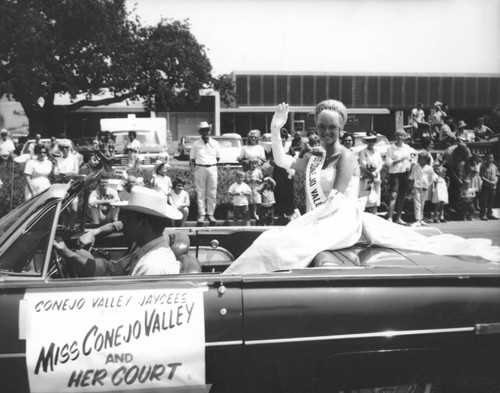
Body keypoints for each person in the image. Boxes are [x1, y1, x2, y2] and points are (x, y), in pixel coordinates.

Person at [223, 103, 500, 275]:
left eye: (332, 127)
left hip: (341, 222)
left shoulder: (347, 157)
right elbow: (282, 161)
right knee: (271, 241)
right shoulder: (315, 156)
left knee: (278, 243)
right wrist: (274, 127)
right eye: (321, 127)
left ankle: (239, 277)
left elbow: (335, 200)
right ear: (316, 128)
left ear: (340, 128)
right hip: (319, 222)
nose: (326, 132)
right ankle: (236, 276)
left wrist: (299, 224)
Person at [53, 186, 186, 276]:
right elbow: (109, 268)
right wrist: (67, 253)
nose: (123, 224)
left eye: (127, 219)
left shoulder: (150, 265)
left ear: (144, 224)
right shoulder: (146, 250)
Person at [189, 121, 220, 226]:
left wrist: (209, 164)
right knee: (201, 192)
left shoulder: (215, 143)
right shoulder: (196, 144)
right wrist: (200, 165)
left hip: (212, 168)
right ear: (200, 132)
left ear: (209, 131)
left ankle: (211, 213)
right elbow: (192, 158)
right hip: (200, 168)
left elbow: (218, 157)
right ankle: (202, 214)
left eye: (207, 130)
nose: (205, 132)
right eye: (203, 130)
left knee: (212, 192)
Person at [385, 128, 415, 225]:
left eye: (401, 135)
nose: (399, 137)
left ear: (404, 137)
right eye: (398, 135)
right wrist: (399, 160)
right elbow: (388, 163)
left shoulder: (407, 147)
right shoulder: (390, 148)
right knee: (393, 195)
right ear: (395, 137)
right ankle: (390, 217)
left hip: (404, 174)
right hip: (395, 174)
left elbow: (413, 158)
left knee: (402, 196)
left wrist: (410, 166)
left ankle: (398, 217)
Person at [270, 127, 297, 222]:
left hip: (288, 175)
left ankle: (289, 214)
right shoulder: (275, 149)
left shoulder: (290, 149)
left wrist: (292, 171)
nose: (282, 139)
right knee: (278, 194)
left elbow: (295, 161)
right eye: (280, 137)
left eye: (283, 137)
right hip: (278, 174)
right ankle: (279, 215)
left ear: (286, 138)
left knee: (288, 194)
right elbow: (270, 162)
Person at [53, 139, 81, 229]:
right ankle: (66, 227)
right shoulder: (57, 160)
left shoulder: (74, 158)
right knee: (63, 209)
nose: (65, 149)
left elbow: (76, 172)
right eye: (62, 147)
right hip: (61, 185)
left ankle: (71, 226)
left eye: (67, 147)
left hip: (72, 185)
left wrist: (64, 174)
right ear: (60, 148)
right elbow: (55, 174)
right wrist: (69, 173)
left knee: (74, 209)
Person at [358, 131, 383, 214]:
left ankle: (374, 217)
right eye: (369, 141)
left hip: (376, 178)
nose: (371, 143)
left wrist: (376, 172)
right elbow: (363, 164)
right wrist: (371, 173)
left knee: (375, 199)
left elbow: (380, 163)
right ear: (366, 142)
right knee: (364, 198)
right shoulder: (363, 152)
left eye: (373, 140)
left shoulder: (377, 151)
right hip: (366, 178)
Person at [409, 152, 435, 227]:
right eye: (419, 158)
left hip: (424, 187)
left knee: (422, 203)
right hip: (416, 186)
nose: (420, 160)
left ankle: (421, 219)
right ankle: (417, 220)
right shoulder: (415, 167)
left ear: (426, 159)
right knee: (417, 203)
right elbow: (411, 177)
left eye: (422, 158)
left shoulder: (429, 168)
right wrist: (412, 188)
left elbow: (432, 178)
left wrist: (427, 186)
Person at [479, 153, 499, 220]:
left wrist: (495, 182)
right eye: (489, 158)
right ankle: (483, 215)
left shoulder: (494, 166)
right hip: (486, 187)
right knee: (484, 201)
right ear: (486, 159)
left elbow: (497, 175)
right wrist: (489, 182)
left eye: (491, 158)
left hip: (493, 187)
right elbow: (482, 176)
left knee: (491, 201)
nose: (490, 159)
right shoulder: (483, 166)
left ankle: (489, 214)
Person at [246, 157, 263, 222]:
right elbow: (245, 181)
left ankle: (257, 213)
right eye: (252, 164)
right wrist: (248, 180)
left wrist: (256, 180)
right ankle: (252, 213)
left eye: (255, 164)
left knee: (257, 201)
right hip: (250, 188)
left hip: (257, 188)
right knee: (251, 202)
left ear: (257, 164)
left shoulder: (258, 172)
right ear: (250, 164)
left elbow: (262, 180)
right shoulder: (248, 172)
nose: (254, 165)